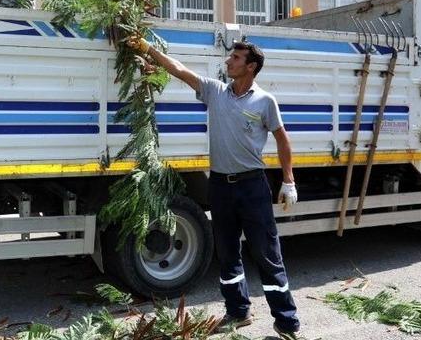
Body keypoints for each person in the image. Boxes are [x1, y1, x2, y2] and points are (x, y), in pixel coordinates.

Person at [127, 37, 301, 339]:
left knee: (266, 254)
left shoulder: (264, 101)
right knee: (227, 251)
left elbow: (283, 140)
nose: (228, 61)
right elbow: (179, 70)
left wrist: (288, 181)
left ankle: (287, 323)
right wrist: (148, 49)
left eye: (235, 58)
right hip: (220, 185)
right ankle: (237, 312)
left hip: (252, 186)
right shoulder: (216, 92)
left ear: (250, 66)